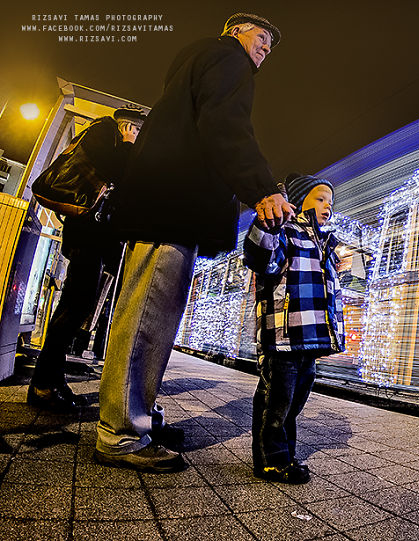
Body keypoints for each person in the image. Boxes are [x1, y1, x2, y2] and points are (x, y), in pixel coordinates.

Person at [94, 13, 293, 473]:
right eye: (261, 37)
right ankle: (123, 432)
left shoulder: (196, 61)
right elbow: (225, 125)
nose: (265, 49)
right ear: (234, 31)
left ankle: (132, 415)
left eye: (269, 45)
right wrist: (262, 185)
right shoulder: (227, 59)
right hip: (174, 206)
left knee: (141, 313)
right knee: (148, 317)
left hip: (163, 202)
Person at [27, 106, 146, 412]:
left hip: (93, 241)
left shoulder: (108, 141)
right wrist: (130, 146)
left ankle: (53, 381)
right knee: (73, 308)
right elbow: (120, 172)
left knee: (76, 309)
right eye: (136, 128)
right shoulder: (102, 135)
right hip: (86, 239)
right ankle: (42, 386)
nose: (139, 134)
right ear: (127, 125)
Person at [243, 174, 344, 484]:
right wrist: (267, 225)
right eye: (319, 198)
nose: (327, 205)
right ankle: (270, 460)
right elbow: (261, 260)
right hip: (284, 333)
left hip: (310, 336)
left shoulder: (325, 243)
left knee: (295, 398)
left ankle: (284, 452)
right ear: (299, 202)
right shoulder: (286, 232)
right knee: (278, 398)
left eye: (330, 201)